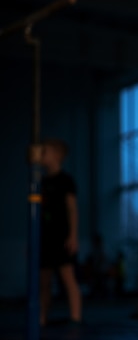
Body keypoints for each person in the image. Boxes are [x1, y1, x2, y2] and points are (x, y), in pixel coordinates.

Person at [39, 138, 82, 326]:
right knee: (43, 281)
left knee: (67, 278)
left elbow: (72, 209)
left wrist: (73, 235)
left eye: (45, 152)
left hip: (61, 236)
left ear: (57, 155)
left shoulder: (66, 180)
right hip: (45, 237)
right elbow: (38, 214)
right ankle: (41, 318)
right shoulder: (40, 182)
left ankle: (75, 317)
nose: (41, 156)